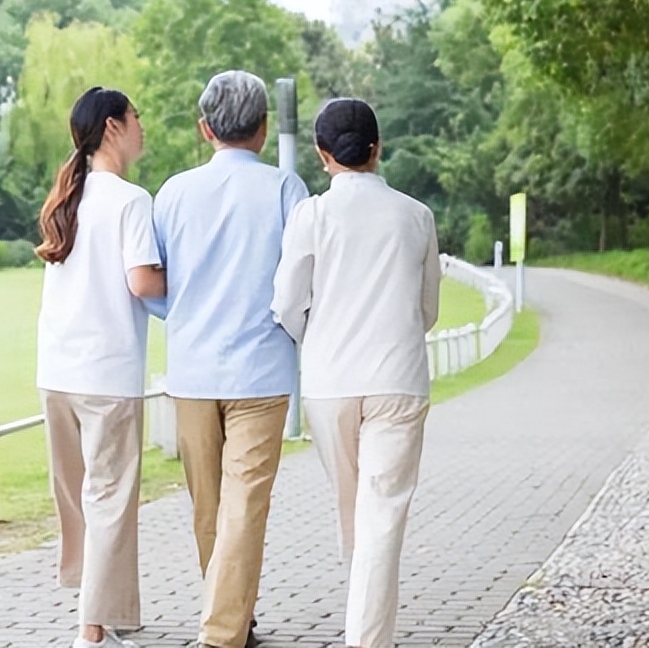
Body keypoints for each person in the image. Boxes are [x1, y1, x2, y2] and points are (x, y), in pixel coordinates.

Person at [270, 98, 441, 648]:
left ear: (324, 156)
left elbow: (287, 303)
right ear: (377, 147)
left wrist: (316, 337)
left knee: (356, 511)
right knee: (380, 518)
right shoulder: (416, 215)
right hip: (397, 378)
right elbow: (428, 309)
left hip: (330, 382)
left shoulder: (312, 215)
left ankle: (365, 627)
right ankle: (367, 634)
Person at [150, 70, 309, 648]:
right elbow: (303, 278)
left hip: (191, 368)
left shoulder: (172, 191)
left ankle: (226, 625)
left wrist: (184, 314)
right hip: (262, 370)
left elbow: (150, 282)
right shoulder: (287, 189)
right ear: (263, 130)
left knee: (210, 507)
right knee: (245, 502)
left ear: (204, 128)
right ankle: (226, 628)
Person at [35, 86, 166, 648]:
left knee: (81, 497)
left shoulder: (69, 195)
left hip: (57, 371)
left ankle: (98, 611)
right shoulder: (131, 200)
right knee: (110, 499)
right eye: (136, 118)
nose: (142, 127)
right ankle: (91, 631)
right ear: (113, 126)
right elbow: (142, 281)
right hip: (108, 374)